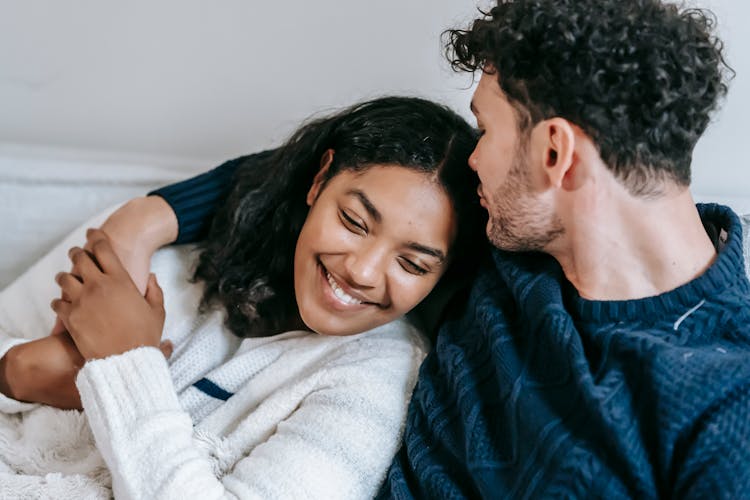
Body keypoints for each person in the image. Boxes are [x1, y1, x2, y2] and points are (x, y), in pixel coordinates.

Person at [37, 0, 750, 498]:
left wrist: (124, 364)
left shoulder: (724, 403)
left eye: (486, 130)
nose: (472, 160)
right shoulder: (507, 256)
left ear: (555, 152)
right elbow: (317, 176)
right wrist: (144, 221)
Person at [0, 96, 487, 498]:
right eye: (354, 222)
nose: (361, 270)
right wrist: (17, 370)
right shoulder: (157, 257)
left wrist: (127, 364)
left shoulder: (373, 384)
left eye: (412, 264)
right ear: (320, 180)